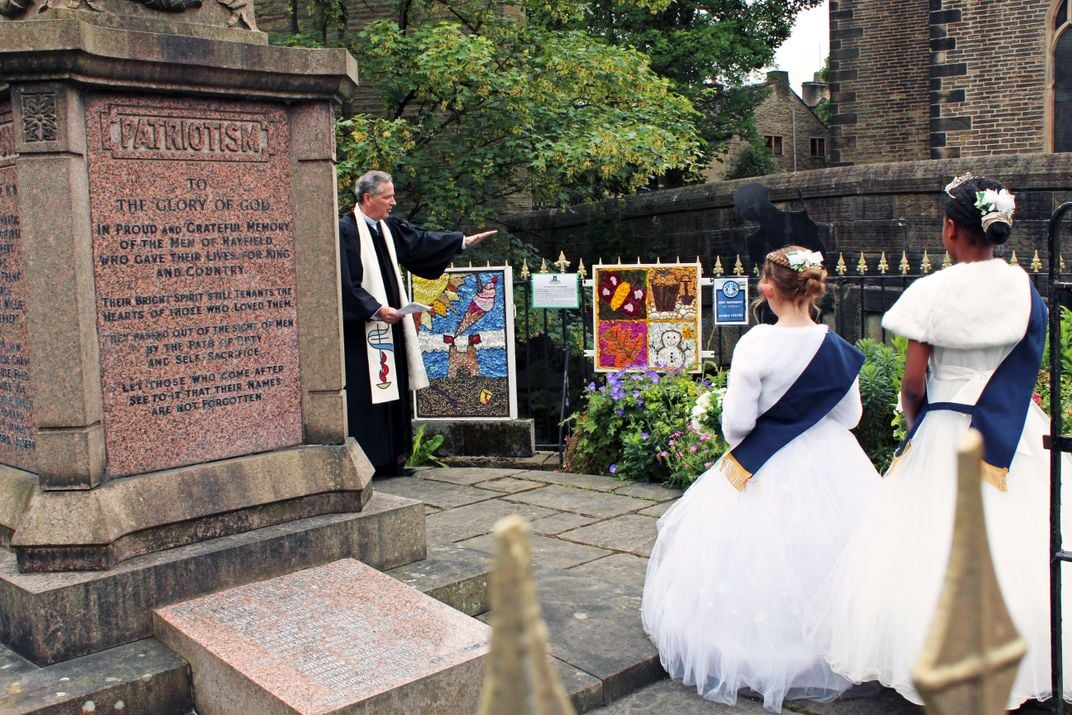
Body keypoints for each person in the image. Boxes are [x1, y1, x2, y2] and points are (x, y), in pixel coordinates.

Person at [807, 174, 1072, 708]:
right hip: (1012, 427)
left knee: (927, 550)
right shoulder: (1024, 288)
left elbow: (912, 382)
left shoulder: (931, 291)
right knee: (1022, 545)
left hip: (947, 430)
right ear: (1000, 229)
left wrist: (914, 424)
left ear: (951, 229)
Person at [641, 245, 880, 713]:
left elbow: (738, 427)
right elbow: (850, 417)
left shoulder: (757, 344)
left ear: (768, 289)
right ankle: (833, 650)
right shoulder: (836, 347)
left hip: (762, 463)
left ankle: (749, 654)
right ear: (811, 289)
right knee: (831, 552)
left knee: (751, 556)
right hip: (829, 460)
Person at [339, 170, 495, 476]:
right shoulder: (345, 231)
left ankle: (391, 459)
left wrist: (461, 242)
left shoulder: (387, 227)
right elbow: (345, 284)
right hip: (363, 331)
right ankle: (370, 463)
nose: (393, 202)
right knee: (369, 393)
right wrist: (375, 309)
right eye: (387, 197)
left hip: (391, 325)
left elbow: (420, 241)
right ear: (368, 198)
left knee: (393, 391)